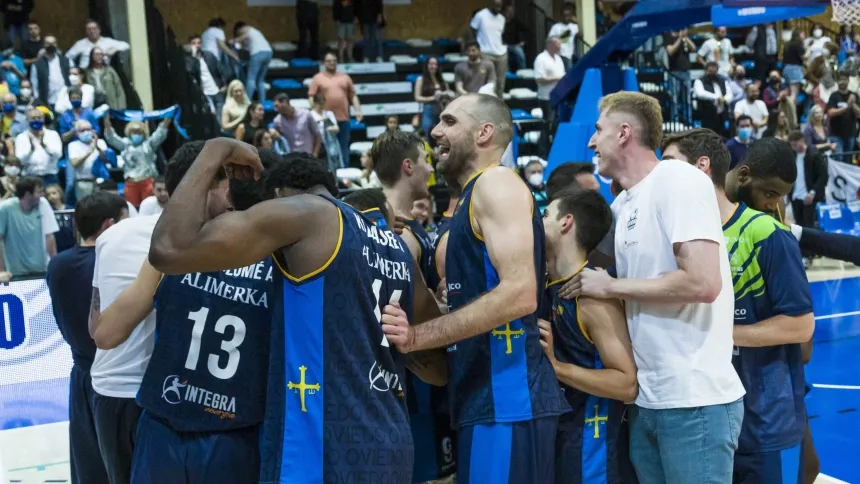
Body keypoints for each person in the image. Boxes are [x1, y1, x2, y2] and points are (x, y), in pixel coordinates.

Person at [146, 140, 447, 482]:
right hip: (389, 442)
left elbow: (168, 249)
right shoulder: (396, 249)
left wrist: (217, 148)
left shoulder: (306, 214)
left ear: (278, 197)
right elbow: (438, 368)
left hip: (321, 447)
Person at [382, 93, 570, 483]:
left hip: (508, 398)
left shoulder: (496, 183)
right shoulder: (474, 195)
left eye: (450, 121)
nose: (436, 131)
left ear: (484, 133)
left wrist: (418, 336)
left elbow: (520, 293)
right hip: (485, 398)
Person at [561, 91, 745, 483]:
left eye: (598, 130)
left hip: (694, 400)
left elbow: (702, 281)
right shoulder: (622, 205)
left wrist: (611, 288)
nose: (591, 142)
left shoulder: (679, 180)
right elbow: (579, 267)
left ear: (624, 133)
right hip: (647, 399)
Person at [92, 145, 276, 484]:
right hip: (193, 426)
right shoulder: (172, 253)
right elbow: (107, 335)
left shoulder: (170, 255)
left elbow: (106, 333)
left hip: (204, 427)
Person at [661, 130, 815, 484]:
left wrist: (720, 333)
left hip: (765, 417)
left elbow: (801, 330)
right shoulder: (683, 232)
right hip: (708, 414)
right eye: (771, 194)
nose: (773, 204)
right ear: (743, 175)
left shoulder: (766, 232)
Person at [370, 130, 457, 484]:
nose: (431, 168)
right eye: (425, 161)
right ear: (408, 166)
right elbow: (396, 312)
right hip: (412, 376)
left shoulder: (404, 226)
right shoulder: (398, 235)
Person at [539, 188, 637, 484]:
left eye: (545, 215)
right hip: (554, 439)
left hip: (591, 452)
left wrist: (556, 368)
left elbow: (627, 384)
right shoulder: (544, 284)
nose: (536, 222)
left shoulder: (593, 299)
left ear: (566, 222)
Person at [46, 191, 128, 484]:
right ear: (109, 225)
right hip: (117, 380)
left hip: (81, 375)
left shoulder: (57, 265)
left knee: (88, 468)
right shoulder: (116, 266)